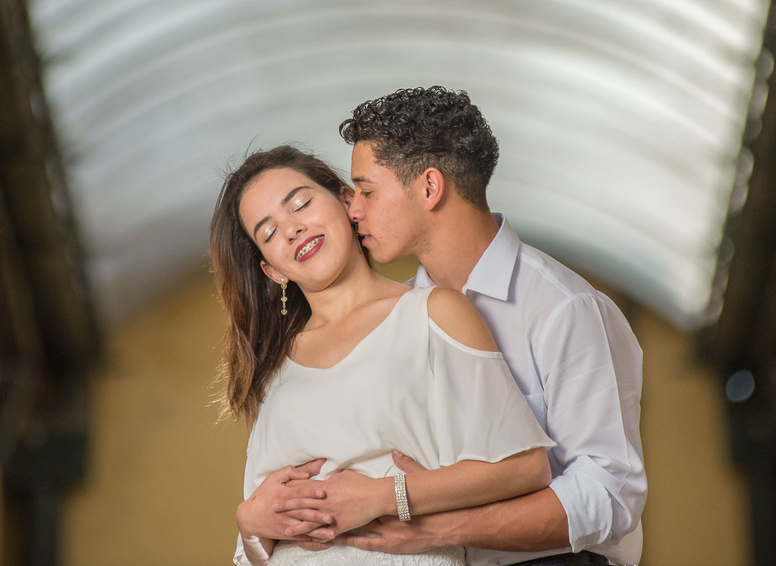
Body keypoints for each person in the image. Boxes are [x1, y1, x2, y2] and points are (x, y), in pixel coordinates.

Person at [246, 87, 646, 566]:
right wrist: (255, 518)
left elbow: (608, 496)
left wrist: (424, 524)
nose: (353, 209)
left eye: (367, 192)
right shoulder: (407, 314)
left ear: (430, 188)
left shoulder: (564, 308)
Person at [211, 145, 555, 566]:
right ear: (272, 270)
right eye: (268, 233)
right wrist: (249, 521)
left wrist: (382, 496)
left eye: (300, 204)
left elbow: (525, 468)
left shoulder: (435, 313)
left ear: (345, 202)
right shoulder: (268, 370)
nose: (292, 229)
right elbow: (254, 549)